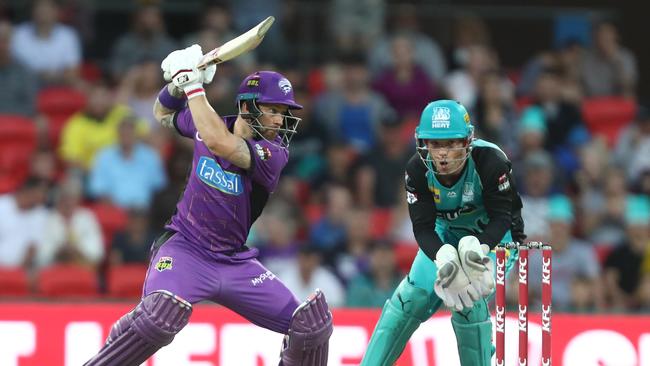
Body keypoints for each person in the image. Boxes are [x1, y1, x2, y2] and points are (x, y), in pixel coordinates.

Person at [84, 45, 332, 366]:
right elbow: (162, 114)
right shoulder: (209, 122)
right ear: (247, 107)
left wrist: (193, 86)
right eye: (273, 109)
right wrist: (175, 86)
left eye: (284, 112)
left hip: (234, 262)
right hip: (186, 249)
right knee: (160, 319)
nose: (279, 119)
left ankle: (130, 327)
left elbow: (219, 142)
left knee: (312, 326)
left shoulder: (273, 153)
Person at [361, 99, 526, 365]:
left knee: (466, 302)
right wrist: (442, 256)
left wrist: (480, 249)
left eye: (451, 143)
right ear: (423, 142)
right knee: (409, 300)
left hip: (496, 239)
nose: (443, 154)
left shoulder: (491, 161)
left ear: (466, 141)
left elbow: (503, 218)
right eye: (435, 144)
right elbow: (423, 227)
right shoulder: (417, 169)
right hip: (445, 235)